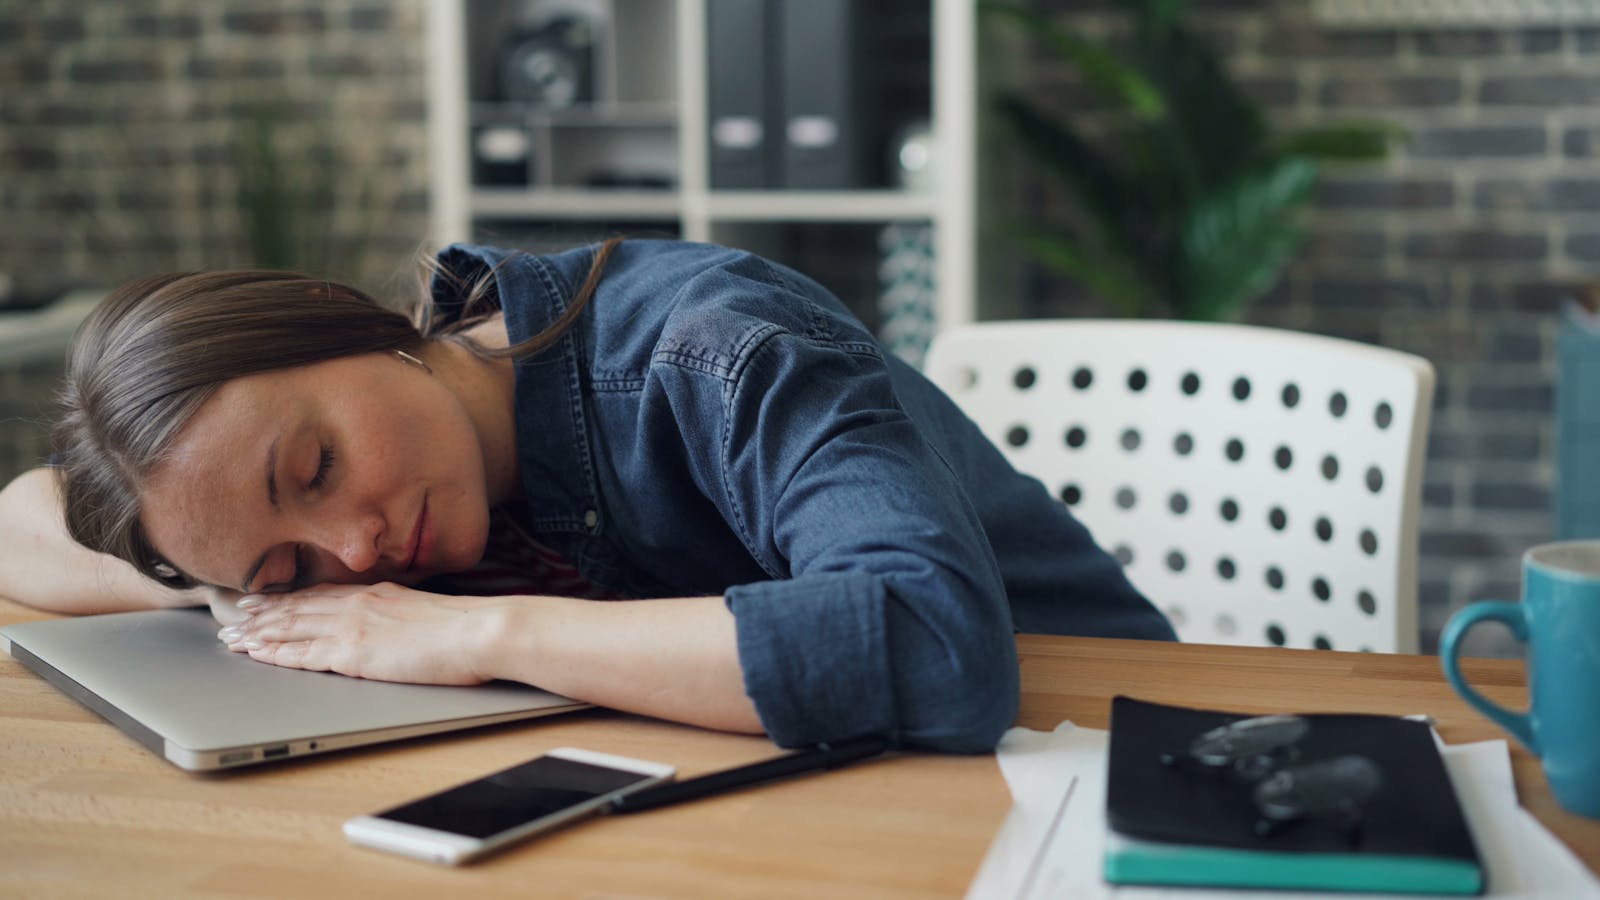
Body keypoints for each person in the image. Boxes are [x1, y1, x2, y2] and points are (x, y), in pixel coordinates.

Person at [0, 238, 1175, 753]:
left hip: (1103, 758)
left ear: (339, 310)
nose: (356, 548)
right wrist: (230, 589)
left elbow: (930, 647)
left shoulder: (719, 350)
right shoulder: (354, 522)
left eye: (313, 471)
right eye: (294, 564)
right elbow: (17, 519)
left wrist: (471, 631)